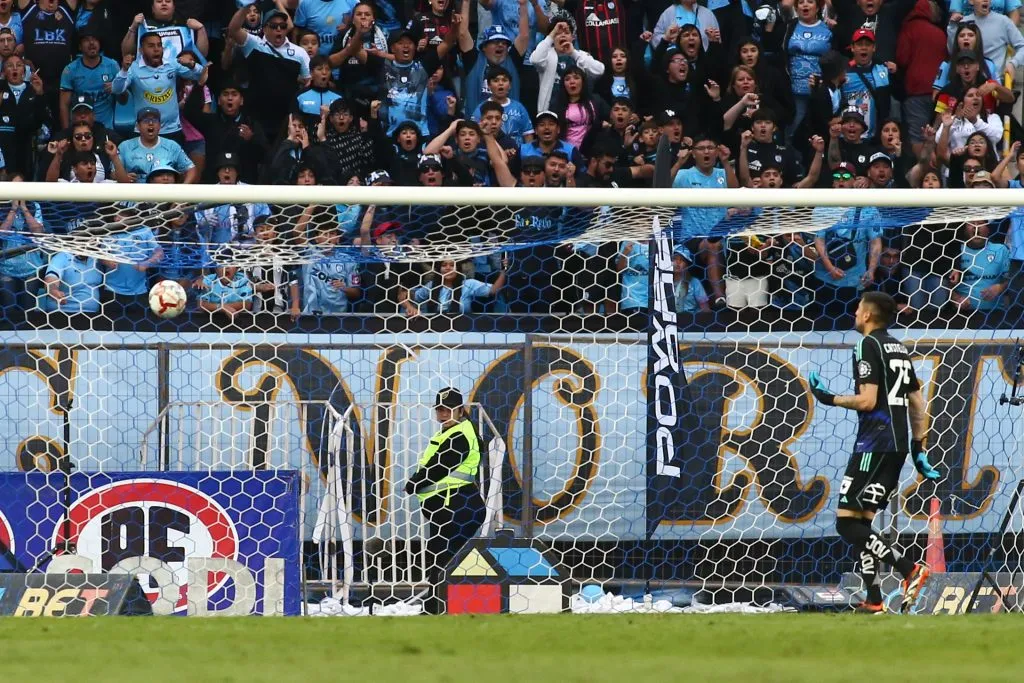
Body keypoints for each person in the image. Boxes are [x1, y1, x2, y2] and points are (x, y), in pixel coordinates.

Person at [806, 291, 940, 613]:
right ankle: (875, 600)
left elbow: (867, 400)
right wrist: (918, 448)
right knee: (862, 522)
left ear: (867, 315)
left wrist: (829, 397)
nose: (854, 312)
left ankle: (911, 569)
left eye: (857, 308)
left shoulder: (867, 345)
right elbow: (918, 403)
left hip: (873, 445)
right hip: (895, 449)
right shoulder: (899, 348)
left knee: (845, 524)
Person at [404, 386, 486, 614]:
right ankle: (446, 606)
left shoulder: (459, 435)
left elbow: (439, 466)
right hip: (454, 506)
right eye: (440, 409)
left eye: (448, 409)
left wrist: (413, 483)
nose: (443, 413)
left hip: (457, 506)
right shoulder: (455, 432)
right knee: (447, 557)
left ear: (460, 410)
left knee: (442, 558)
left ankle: (436, 608)